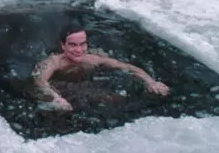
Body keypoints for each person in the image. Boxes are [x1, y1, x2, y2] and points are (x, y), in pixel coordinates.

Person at [33, 22, 170, 112]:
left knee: (115, 99)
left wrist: (151, 81)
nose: (79, 50)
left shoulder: (93, 59)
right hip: (61, 85)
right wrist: (55, 97)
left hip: (83, 85)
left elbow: (128, 67)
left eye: (83, 44)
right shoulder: (53, 62)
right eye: (73, 45)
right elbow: (40, 81)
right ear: (63, 46)